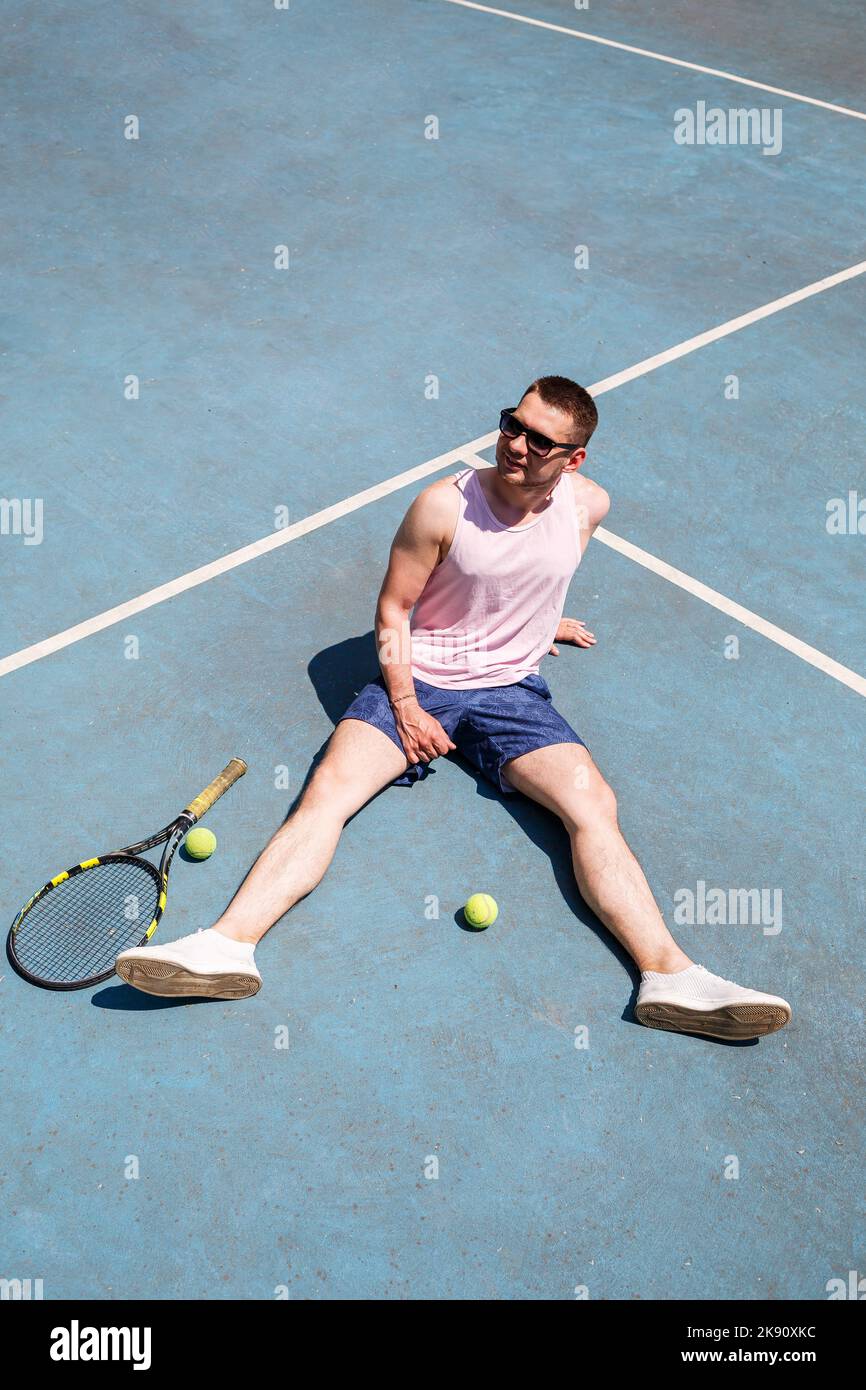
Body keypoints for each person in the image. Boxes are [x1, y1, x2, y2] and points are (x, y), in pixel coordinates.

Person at [116, 376, 791, 1041]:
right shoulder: (442, 506)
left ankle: (668, 977)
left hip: (509, 691)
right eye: (512, 424)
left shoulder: (589, 505)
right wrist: (405, 704)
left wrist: (535, 624)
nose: (516, 444)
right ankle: (227, 947)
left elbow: (542, 566)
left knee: (593, 805)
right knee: (328, 794)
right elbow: (393, 609)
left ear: (573, 458)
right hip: (421, 677)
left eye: (539, 439)